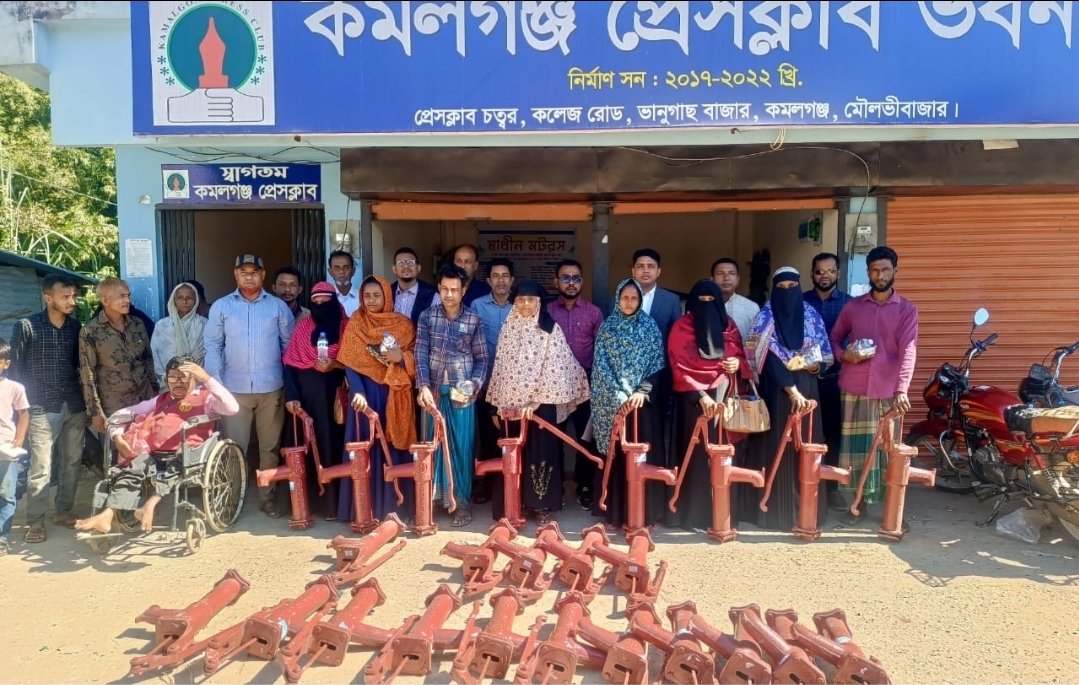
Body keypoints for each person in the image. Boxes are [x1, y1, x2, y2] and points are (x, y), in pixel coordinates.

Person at [73, 358, 238, 535]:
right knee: (133, 469)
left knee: (175, 467)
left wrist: (206, 378)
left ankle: (149, 505)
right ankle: (107, 514)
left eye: (184, 377)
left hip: (188, 454)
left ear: (195, 378)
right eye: (173, 378)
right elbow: (121, 415)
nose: (178, 382)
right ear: (166, 380)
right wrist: (118, 437)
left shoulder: (206, 398)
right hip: (154, 454)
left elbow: (232, 408)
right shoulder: (161, 400)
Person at [486, 280, 590, 525]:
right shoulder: (508, 328)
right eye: (520, 299)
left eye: (531, 300)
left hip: (541, 408)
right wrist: (494, 405)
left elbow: (556, 368)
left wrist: (535, 402)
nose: (525, 304)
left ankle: (541, 505)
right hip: (510, 408)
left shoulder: (550, 328)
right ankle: (512, 504)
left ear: (539, 302)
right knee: (512, 455)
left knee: (540, 455)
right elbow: (499, 368)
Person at [830, 246, 918, 523]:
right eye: (875, 270)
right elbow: (834, 338)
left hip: (889, 392)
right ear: (867, 272)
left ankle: (893, 511)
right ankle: (857, 506)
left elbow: (909, 351)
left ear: (895, 271)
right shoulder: (853, 307)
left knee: (888, 452)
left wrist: (902, 389)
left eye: (886, 270)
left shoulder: (906, 310)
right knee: (856, 453)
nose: (880, 275)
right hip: (854, 389)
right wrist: (844, 355)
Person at [204, 254, 294, 519]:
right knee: (235, 447)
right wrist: (216, 385)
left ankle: (267, 497)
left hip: (271, 387)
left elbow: (288, 347)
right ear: (236, 275)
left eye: (254, 272)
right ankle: (232, 498)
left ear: (263, 275)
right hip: (234, 390)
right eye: (243, 272)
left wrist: (289, 384)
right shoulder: (221, 307)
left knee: (269, 448)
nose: (249, 276)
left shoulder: (278, 307)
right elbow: (213, 346)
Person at [743, 267, 833, 531]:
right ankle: (774, 514)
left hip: (809, 391)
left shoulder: (812, 315)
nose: (786, 292)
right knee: (776, 448)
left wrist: (815, 367)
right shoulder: (764, 318)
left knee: (807, 447)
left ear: (799, 287)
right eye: (780, 287)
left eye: (791, 287)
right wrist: (791, 390)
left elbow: (825, 354)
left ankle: (809, 510)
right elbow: (765, 359)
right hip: (777, 393)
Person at [667, 280, 753, 532]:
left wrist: (738, 364)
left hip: (725, 398)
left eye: (711, 300)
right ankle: (694, 517)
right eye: (701, 301)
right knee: (695, 457)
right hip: (693, 401)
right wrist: (700, 396)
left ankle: (723, 514)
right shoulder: (682, 327)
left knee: (723, 455)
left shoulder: (730, 326)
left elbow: (741, 357)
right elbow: (678, 364)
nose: (706, 305)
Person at [9, 275, 87, 543]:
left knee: (72, 462)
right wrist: (18, 409)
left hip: (74, 404)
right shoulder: (26, 326)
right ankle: (35, 521)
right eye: (65, 297)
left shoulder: (75, 327)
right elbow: (15, 369)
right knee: (41, 466)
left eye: (73, 296)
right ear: (48, 298)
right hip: (41, 405)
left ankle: (63, 511)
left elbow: (80, 366)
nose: (71, 301)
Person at [337, 275, 418, 522]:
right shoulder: (356, 322)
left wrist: (400, 358)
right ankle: (365, 510)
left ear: (387, 296)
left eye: (376, 295)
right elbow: (350, 361)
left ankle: (396, 508)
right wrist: (358, 391)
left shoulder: (403, 324)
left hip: (394, 394)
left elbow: (415, 357)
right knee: (366, 448)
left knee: (392, 447)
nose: (371, 300)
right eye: (367, 296)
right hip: (366, 396)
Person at [415, 264, 490, 527]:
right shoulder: (427, 316)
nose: (449, 294)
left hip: (462, 397)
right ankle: (433, 501)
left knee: (461, 449)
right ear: (438, 288)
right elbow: (420, 353)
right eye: (445, 289)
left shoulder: (473, 320)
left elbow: (482, 359)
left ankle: (461, 502)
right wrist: (423, 386)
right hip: (433, 394)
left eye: (454, 290)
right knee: (431, 448)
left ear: (463, 290)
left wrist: (473, 385)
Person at [589, 279, 665, 530]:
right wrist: (618, 395)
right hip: (614, 405)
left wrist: (642, 391)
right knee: (618, 456)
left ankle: (646, 514)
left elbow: (657, 364)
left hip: (642, 405)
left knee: (641, 456)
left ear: (640, 301)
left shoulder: (649, 327)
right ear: (617, 300)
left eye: (634, 298)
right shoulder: (608, 328)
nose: (629, 302)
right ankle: (616, 514)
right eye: (625, 298)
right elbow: (600, 367)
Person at [282, 281, 347, 519]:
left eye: (325, 302)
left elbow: (356, 362)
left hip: (335, 401)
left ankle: (334, 505)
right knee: (306, 447)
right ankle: (306, 504)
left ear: (334, 302)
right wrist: (292, 396)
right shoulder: (303, 328)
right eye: (316, 302)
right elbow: (290, 364)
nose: (320, 306)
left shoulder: (347, 327)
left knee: (333, 446)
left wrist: (335, 363)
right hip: (306, 400)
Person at [547, 259, 604, 510]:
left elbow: (601, 351)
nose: (571, 283)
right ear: (556, 282)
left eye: (576, 278)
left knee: (585, 439)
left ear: (582, 282)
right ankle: (555, 488)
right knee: (554, 438)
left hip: (586, 386)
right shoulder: (547, 311)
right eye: (566, 278)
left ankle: (584, 486)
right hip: (554, 386)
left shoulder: (594, 313)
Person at [803, 252, 853, 511]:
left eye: (831, 271)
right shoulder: (800, 302)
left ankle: (831, 489)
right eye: (820, 271)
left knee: (833, 434)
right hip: (805, 380)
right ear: (812, 274)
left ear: (838, 274)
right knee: (805, 433)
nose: (825, 276)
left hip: (836, 380)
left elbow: (854, 340)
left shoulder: (849, 304)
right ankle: (803, 484)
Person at [80, 278, 159, 435]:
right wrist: (96, 412)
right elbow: (88, 373)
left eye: (128, 296)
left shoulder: (138, 324)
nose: (127, 300)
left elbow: (148, 360)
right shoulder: (90, 331)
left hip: (144, 398)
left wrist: (155, 395)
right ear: (105, 300)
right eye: (122, 296)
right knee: (117, 447)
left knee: (145, 444)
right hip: (114, 403)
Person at [471, 257, 515, 505]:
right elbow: (471, 344)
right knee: (487, 438)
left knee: (511, 438)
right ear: (488, 280)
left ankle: (510, 487)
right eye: (496, 276)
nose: (501, 280)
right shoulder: (477, 305)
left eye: (505, 275)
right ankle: (487, 486)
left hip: (514, 389)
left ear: (512, 279)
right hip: (485, 386)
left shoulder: (520, 305)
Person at [0, 341, 30, 556]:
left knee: (6, 493)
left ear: (6, 363)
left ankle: (2, 538)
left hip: (6, 448)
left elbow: (24, 414)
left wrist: (19, 438)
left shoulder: (15, 388)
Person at [151, 282, 207, 386]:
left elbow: (210, 354)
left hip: (197, 382)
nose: (184, 301)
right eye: (180, 297)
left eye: (189, 297)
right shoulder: (162, 325)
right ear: (174, 300)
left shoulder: (205, 324)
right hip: (169, 382)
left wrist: (201, 377)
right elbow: (155, 354)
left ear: (196, 300)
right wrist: (165, 377)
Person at [712, 257, 761, 346]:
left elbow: (754, 341)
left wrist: (747, 354)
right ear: (712, 279)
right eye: (720, 273)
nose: (726, 278)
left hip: (742, 354)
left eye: (731, 273)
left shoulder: (751, 307)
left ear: (738, 279)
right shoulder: (703, 306)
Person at [391, 247, 440, 324]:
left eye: (411, 262)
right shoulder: (387, 293)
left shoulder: (432, 295)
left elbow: (437, 326)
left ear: (418, 268)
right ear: (394, 269)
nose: (406, 266)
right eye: (400, 263)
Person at [329, 250, 361, 317]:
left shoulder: (363, 297)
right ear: (330, 272)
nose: (341, 271)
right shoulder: (326, 298)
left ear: (353, 271)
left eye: (346, 267)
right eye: (336, 268)